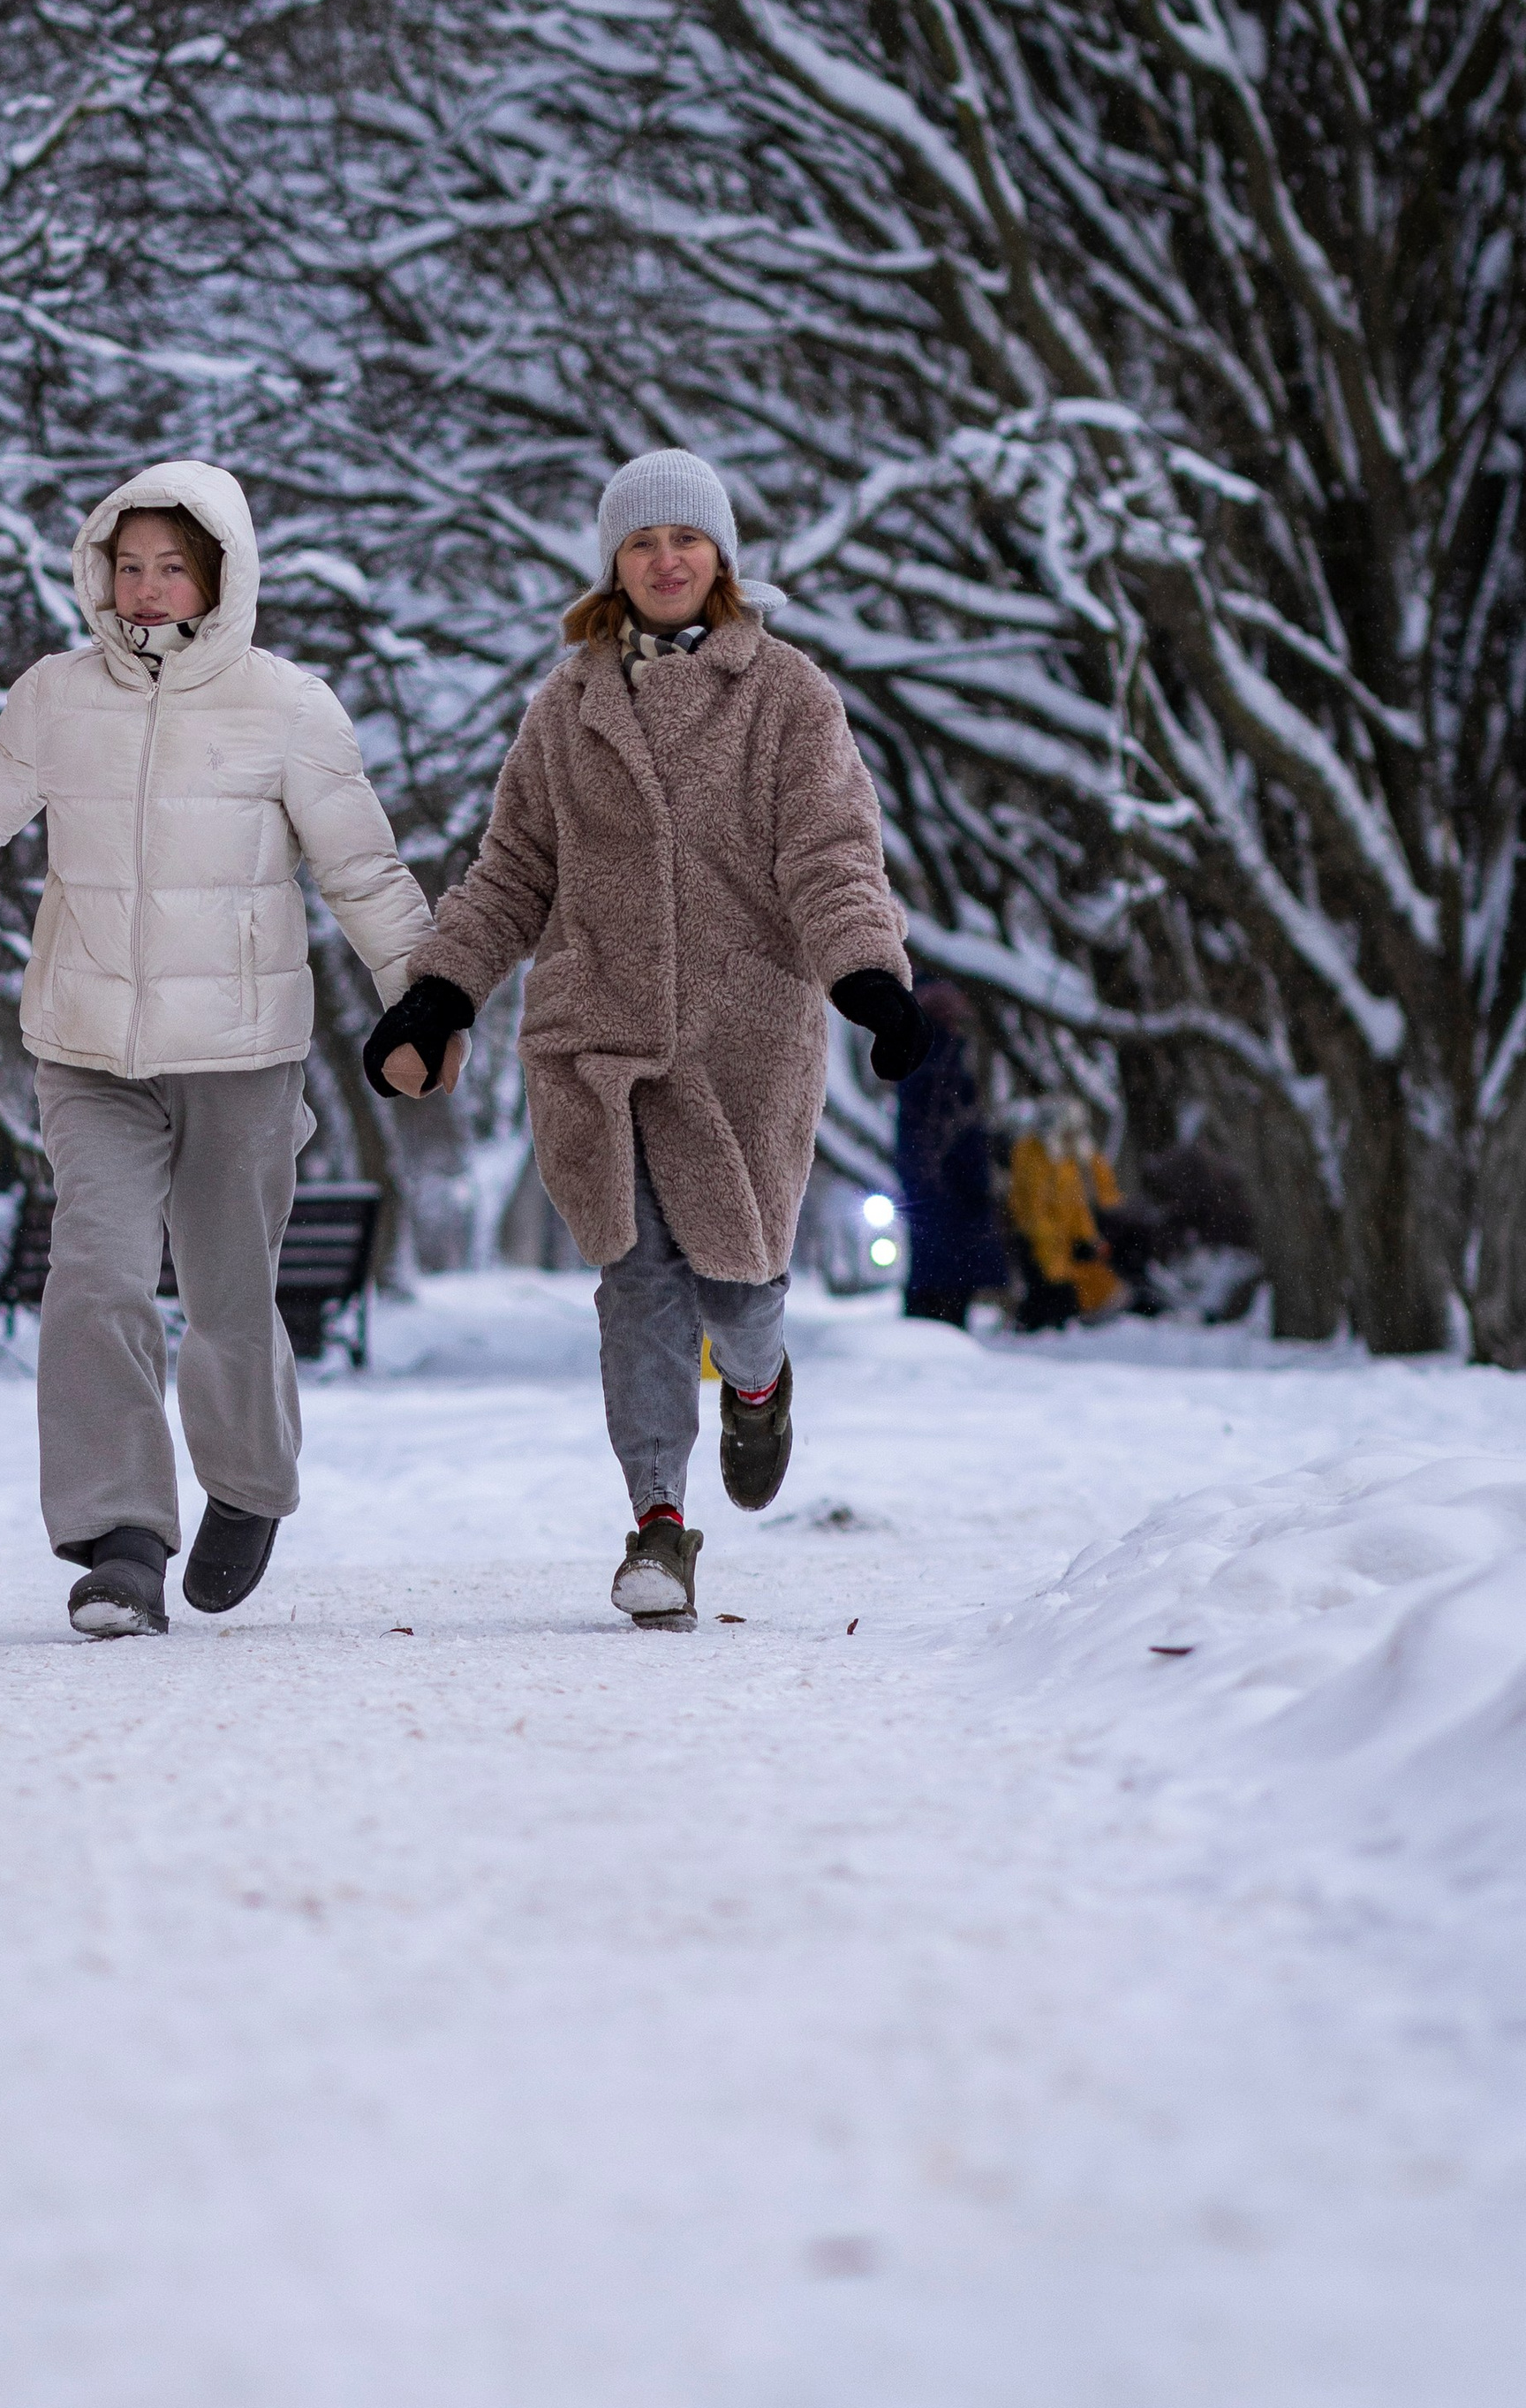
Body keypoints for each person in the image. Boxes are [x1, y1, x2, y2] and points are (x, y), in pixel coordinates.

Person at [0, 463, 429, 1639]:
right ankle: (119, 1538)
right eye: (129, 566)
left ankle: (250, 1483)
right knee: (99, 1276)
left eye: (173, 566)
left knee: (228, 1296)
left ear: (220, 575)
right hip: (90, 1051)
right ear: (98, 574)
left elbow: (362, 869)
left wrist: (423, 1003)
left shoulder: (289, 707)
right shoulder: (58, 701)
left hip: (242, 1057)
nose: (149, 589)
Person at [361, 450, 930, 1629]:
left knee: (738, 1286)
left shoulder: (786, 694)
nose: (666, 559)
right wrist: (439, 995)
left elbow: (830, 849)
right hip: (599, 1037)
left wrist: (867, 973)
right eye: (641, 542)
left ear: (721, 557)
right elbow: (511, 873)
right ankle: (659, 1523)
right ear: (613, 568)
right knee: (637, 1285)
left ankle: (761, 1383)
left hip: (743, 1043)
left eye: (687, 538)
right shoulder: (568, 709)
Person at [893, 980, 1009, 1327]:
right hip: (951, 1191)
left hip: (931, 1193)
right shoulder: (942, 1060)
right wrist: (976, 1179)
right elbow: (951, 1131)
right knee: (947, 1288)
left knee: (933, 1278)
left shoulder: (915, 1057)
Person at [1007, 1100, 1125, 1329]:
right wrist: (1055, 1264)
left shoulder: (1070, 1159)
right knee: (1049, 1307)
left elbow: (1082, 1204)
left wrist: (1091, 1239)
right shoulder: (1032, 1157)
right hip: (1041, 1250)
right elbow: (1036, 1216)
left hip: (1067, 1248)